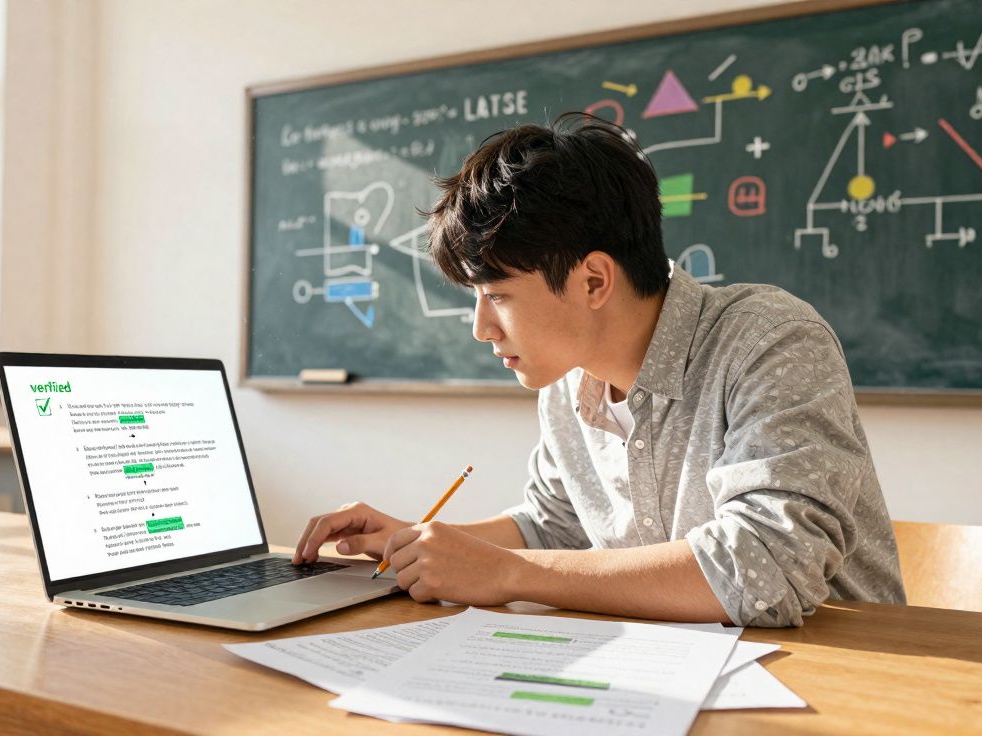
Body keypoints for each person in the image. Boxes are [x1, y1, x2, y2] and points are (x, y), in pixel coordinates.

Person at [291, 113, 905, 627]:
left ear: (593, 280)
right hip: (660, 675)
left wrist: (507, 574)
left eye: (497, 295)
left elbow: (767, 568)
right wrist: (418, 541)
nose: (481, 327)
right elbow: (554, 527)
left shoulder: (770, 341)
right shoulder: (567, 383)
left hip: (835, 682)